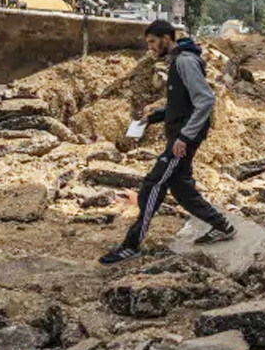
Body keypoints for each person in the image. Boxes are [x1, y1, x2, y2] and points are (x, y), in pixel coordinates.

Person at [99, 20, 234, 265]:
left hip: (183, 138)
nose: (150, 47)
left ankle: (131, 245)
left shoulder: (184, 62)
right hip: (181, 135)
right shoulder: (176, 61)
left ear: (167, 38)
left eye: (153, 42)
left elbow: (205, 100)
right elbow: (180, 105)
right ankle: (222, 226)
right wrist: (153, 117)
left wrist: (184, 137)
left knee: (154, 184)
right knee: (182, 189)